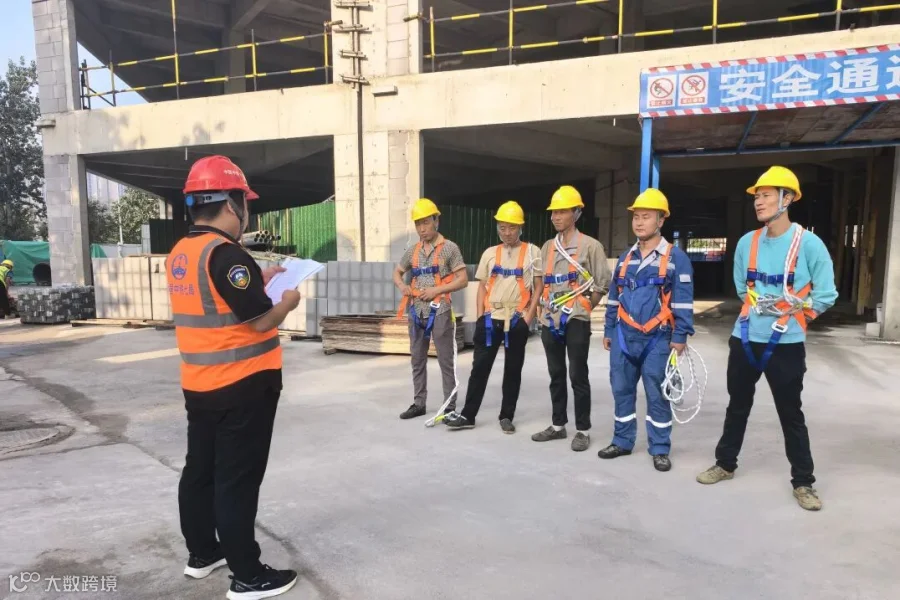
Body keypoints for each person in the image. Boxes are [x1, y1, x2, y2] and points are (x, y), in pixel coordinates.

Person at [167, 155, 301, 599]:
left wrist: (259, 278)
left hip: (199, 384)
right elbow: (261, 321)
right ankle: (248, 575)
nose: (246, 211)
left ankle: (203, 552)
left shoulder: (183, 253)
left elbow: (215, 299)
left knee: (200, 471)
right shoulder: (227, 254)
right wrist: (288, 302)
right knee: (237, 480)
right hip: (242, 386)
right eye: (245, 202)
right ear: (231, 203)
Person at [696, 166, 837, 511]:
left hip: (786, 344)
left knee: (790, 412)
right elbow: (741, 288)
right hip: (745, 337)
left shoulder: (809, 244)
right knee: (737, 405)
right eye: (757, 196)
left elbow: (826, 293)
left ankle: (803, 482)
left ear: (787, 199)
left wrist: (799, 318)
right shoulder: (748, 243)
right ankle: (725, 464)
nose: (758, 202)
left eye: (766, 195)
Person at [597, 188, 695, 472]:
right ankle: (622, 441)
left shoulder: (676, 258)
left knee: (658, 393)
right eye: (636, 217)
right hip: (623, 337)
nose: (639, 222)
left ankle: (660, 448)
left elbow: (683, 301)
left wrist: (680, 335)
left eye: (646, 217)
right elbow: (614, 297)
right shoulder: (626, 258)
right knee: (621, 390)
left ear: (661, 220)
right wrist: (609, 329)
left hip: (658, 339)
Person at [445, 201, 542, 433]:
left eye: (511, 227)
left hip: (517, 318)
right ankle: (468, 415)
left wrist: (528, 317)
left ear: (520, 227)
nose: (506, 233)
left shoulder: (532, 252)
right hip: (490, 319)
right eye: (502, 227)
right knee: (480, 368)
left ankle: (506, 416)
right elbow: (482, 287)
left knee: (513, 370)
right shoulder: (490, 253)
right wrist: (481, 316)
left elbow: (538, 286)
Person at [532, 185, 611, 451]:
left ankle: (582, 430)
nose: (556, 217)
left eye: (562, 211)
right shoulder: (547, 247)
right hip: (550, 318)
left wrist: (586, 306)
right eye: (554, 212)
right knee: (555, 373)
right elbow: (542, 281)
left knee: (578, 374)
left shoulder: (591, 246)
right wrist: (541, 311)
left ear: (576, 213)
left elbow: (602, 282)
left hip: (576, 317)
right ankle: (558, 426)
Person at [394, 198, 469, 420]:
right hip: (416, 311)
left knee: (445, 360)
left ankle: (449, 406)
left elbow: (463, 279)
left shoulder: (449, 248)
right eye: (418, 224)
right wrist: (402, 286)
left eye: (426, 222)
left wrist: (437, 290)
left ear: (436, 221)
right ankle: (419, 403)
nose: (422, 228)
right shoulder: (413, 251)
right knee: (417, 359)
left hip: (440, 310)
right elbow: (397, 272)